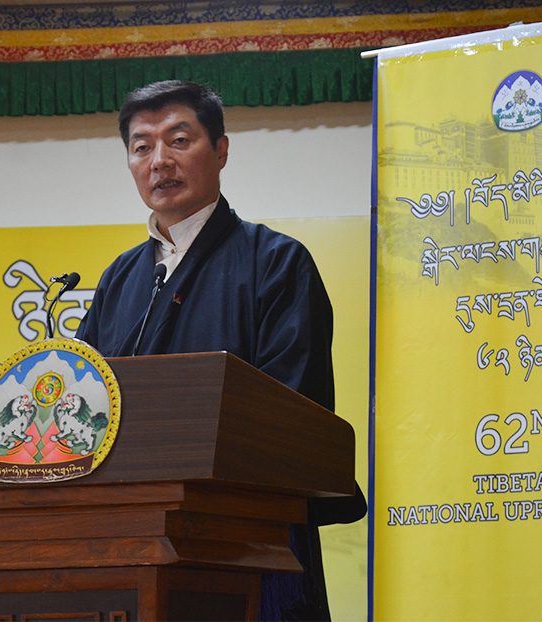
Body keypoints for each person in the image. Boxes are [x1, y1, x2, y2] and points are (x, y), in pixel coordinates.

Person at [75, 80, 366, 621]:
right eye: (142, 147)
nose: (159, 161)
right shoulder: (120, 279)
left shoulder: (276, 263)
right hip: (128, 549)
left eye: (179, 140)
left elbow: (292, 416)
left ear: (222, 150)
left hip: (247, 551)